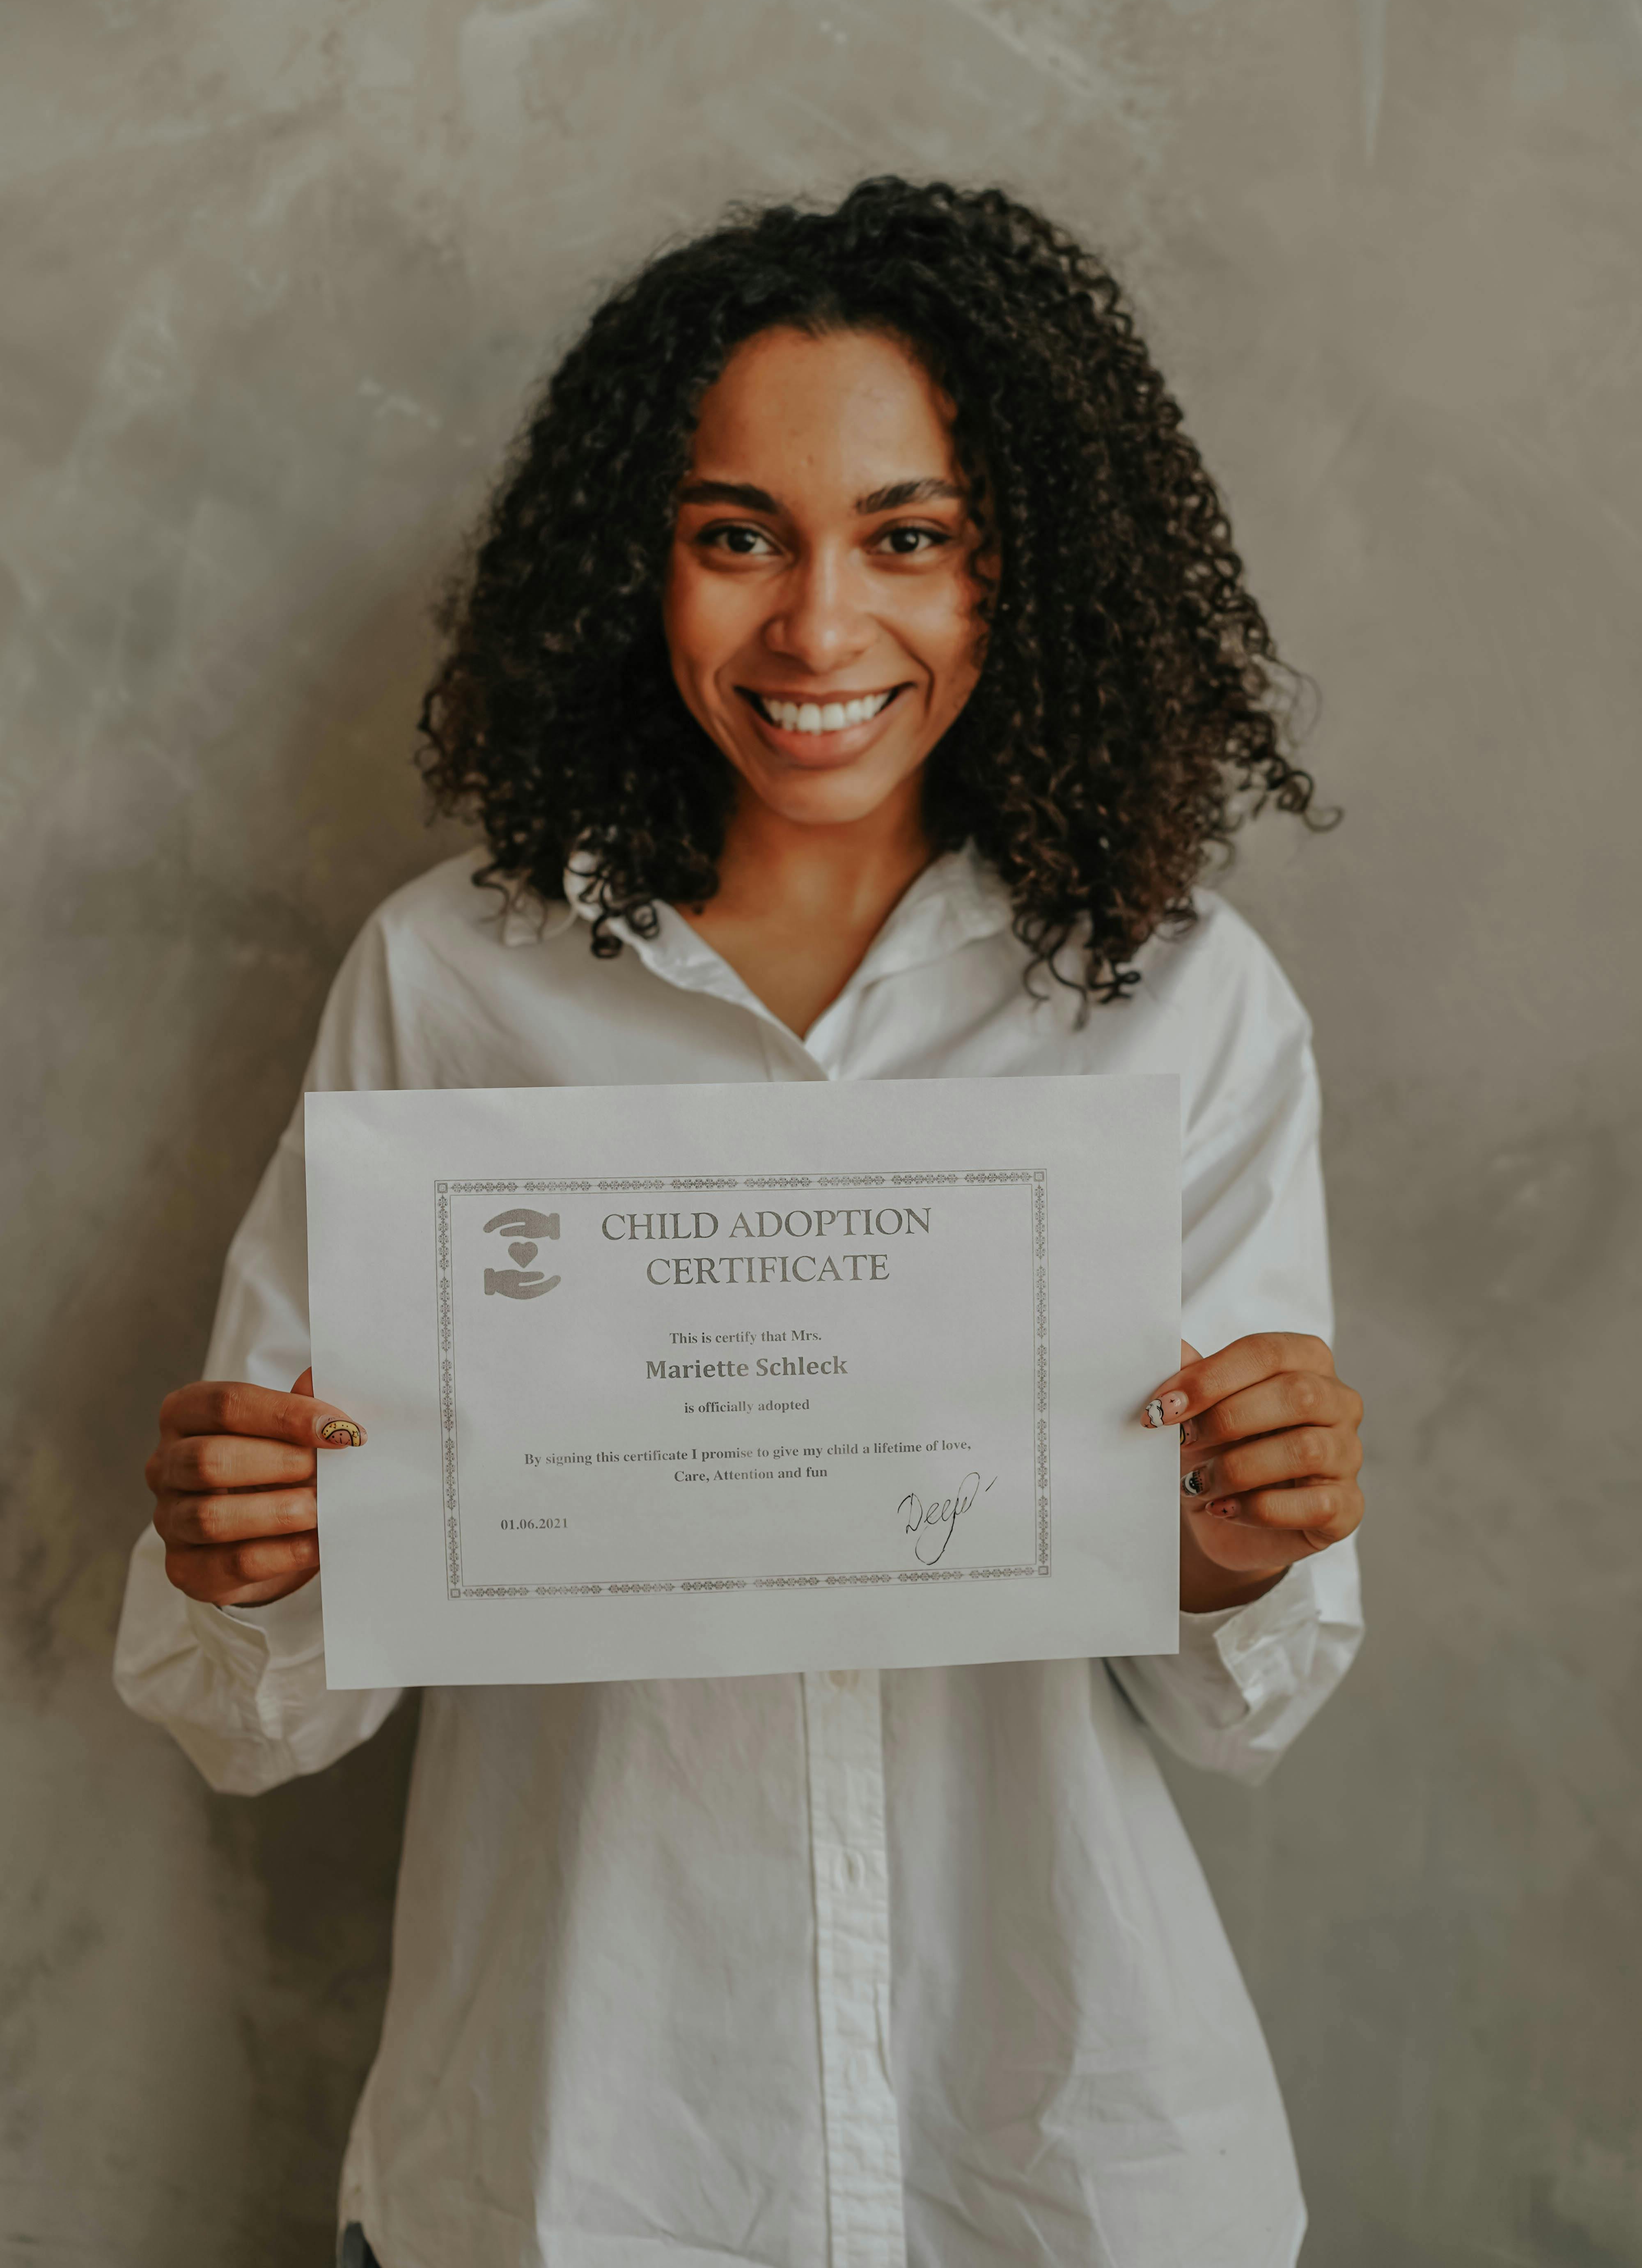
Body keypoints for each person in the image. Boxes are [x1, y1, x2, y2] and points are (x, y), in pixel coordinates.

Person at [114, 178, 1366, 2268]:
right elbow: (253, 1715)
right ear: (642, 566)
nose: (814, 629)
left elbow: (1245, 1707)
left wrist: (1243, 1536)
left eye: (908, 535)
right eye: (734, 536)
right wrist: (244, 1560)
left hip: (1052, 2169)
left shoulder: (1183, 1002)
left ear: (1018, 574)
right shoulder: (451, 983)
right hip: (574, 2167)